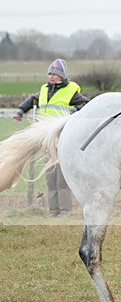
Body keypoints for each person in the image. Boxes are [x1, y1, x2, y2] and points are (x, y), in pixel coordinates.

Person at [13, 58, 89, 217]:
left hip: (62, 139)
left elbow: (86, 104)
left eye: (54, 74)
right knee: (50, 178)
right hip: (46, 139)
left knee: (61, 179)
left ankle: (65, 211)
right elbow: (30, 101)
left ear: (62, 75)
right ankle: (53, 211)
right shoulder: (43, 90)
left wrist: (75, 110)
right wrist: (20, 111)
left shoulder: (70, 91)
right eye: (50, 74)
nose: (51, 77)